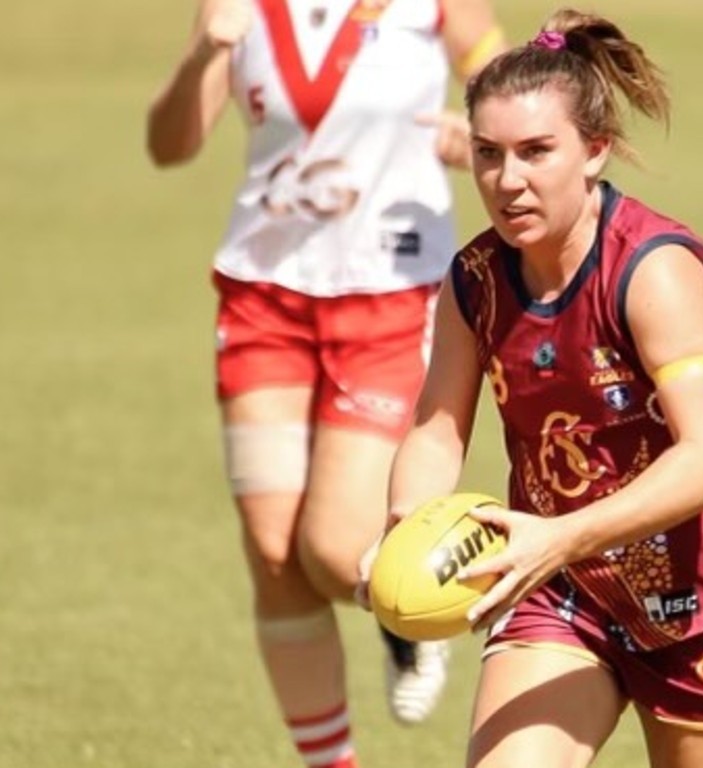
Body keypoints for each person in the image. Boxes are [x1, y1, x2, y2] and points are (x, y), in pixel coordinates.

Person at [363, 8, 703, 768]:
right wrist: (408, 531)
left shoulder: (653, 271)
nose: (508, 179)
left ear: (594, 150)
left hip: (702, 601)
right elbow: (436, 427)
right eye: (489, 154)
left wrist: (559, 534)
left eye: (536, 152)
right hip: (559, 586)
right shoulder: (476, 279)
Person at [145, 0, 505, 765]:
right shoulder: (234, 6)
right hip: (263, 300)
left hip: (390, 295)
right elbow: (168, 145)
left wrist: (473, 140)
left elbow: (514, 97)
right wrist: (205, 55)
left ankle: (420, 604)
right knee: (274, 556)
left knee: (336, 551)